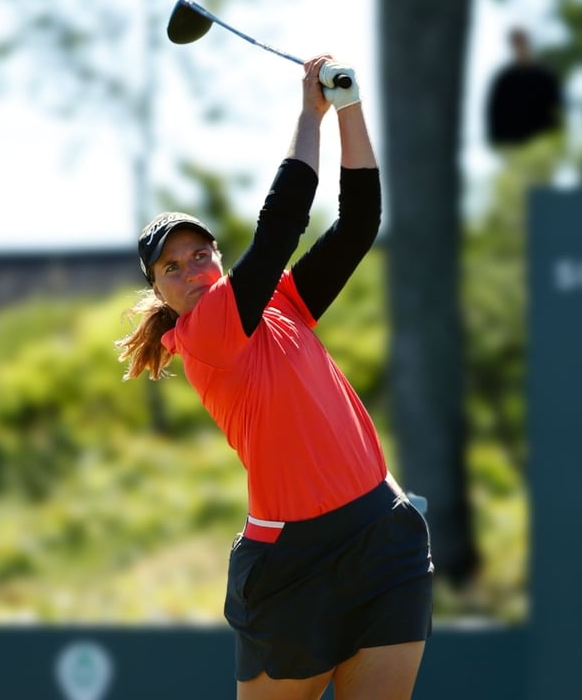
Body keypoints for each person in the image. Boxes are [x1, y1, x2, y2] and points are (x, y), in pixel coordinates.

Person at [116, 55, 433, 699]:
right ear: (159, 292)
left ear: (217, 257)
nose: (192, 269)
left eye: (200, 253)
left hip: (381, 538)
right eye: (171, 268)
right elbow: (281, 227)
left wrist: (350, 108)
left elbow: (358, 227)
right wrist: (309, 114)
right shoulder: (203, 337)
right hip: (292, 563)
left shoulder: (280, 305)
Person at [486, 26, 562, 147]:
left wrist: (556, 141)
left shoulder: (545, 77)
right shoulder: (504, 79)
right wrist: (498, 143)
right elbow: (494, 113)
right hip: (512, 146)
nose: (520, 47)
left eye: (522, 42)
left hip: (542, 145)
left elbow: (557, 109)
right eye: (516, 43)